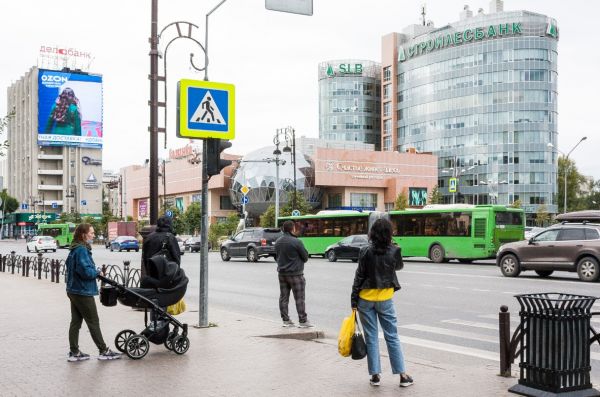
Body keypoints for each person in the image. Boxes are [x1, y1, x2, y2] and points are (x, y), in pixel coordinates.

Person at [351, 218, 413, 388]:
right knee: (392, 336)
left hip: (365, 299)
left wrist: (353, 301)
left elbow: (359, 277)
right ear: (389, 233)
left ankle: (375, 376)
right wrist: (392, 247)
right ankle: (402, 376)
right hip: (385, 299)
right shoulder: (394, 250)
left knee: (371, 337)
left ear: (372, 233)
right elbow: (398, 267)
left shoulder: (365, 251)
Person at [65, 223, 120, 361]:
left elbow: (70, 266)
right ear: (83, 235)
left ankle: (74, 352)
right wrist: (96, 272)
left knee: (76, 322)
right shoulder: (82, 250)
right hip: (82, 291)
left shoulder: (74, 248)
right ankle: (103, 350)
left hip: (73, 289)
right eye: (92, 233)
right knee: (93, 321)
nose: (94, 235)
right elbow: (85, 271)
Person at [274, 220, 313, 328]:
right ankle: (303, 321)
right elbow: (305, 257)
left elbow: (276, 257)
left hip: (282, 274)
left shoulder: (278, 241)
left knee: (283, 297)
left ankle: (286, 321)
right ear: (292, 229)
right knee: (299, 298)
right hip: (296, 274)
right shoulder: (296, 242)